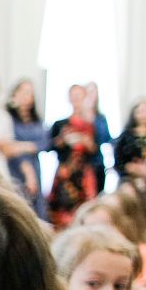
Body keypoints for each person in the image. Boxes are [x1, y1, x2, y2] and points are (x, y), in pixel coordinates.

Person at [48, 85, 103, 227]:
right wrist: (62, 139)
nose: (76, 99)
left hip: (84, 175)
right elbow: (51, 147)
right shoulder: (60, 124)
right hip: (65, 173)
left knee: (86, 211)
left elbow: (96, 149)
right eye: (73, 95)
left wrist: (85, 140)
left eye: (79, 95)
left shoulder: (93, 123)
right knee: (62, 211)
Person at [5, 77, 48, 214]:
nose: (27, 96)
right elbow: (9, 146)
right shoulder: (8, 118)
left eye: (30, 93)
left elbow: (45, 143)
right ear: (15, 94)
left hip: (35, 164)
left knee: (36, 204)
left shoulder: (37, 120)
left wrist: (23, 146)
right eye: (24, 92)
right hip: (15, 166)